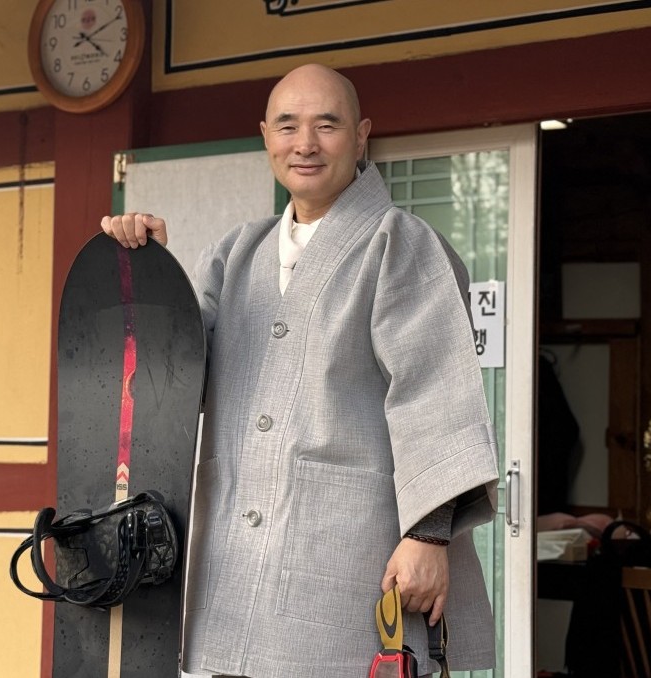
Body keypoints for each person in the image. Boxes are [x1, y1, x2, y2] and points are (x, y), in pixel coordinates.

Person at [101, 64, 499, 678]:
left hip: (352, 558)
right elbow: (178, 380)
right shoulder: (236, 255)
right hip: (233, 565)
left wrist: (429, 535)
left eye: (327, 125)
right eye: (287, 126)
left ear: (362, 135)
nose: (305, 144)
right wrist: (147, 272)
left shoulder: (400, 244)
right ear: (266, 136)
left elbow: (433, 394)